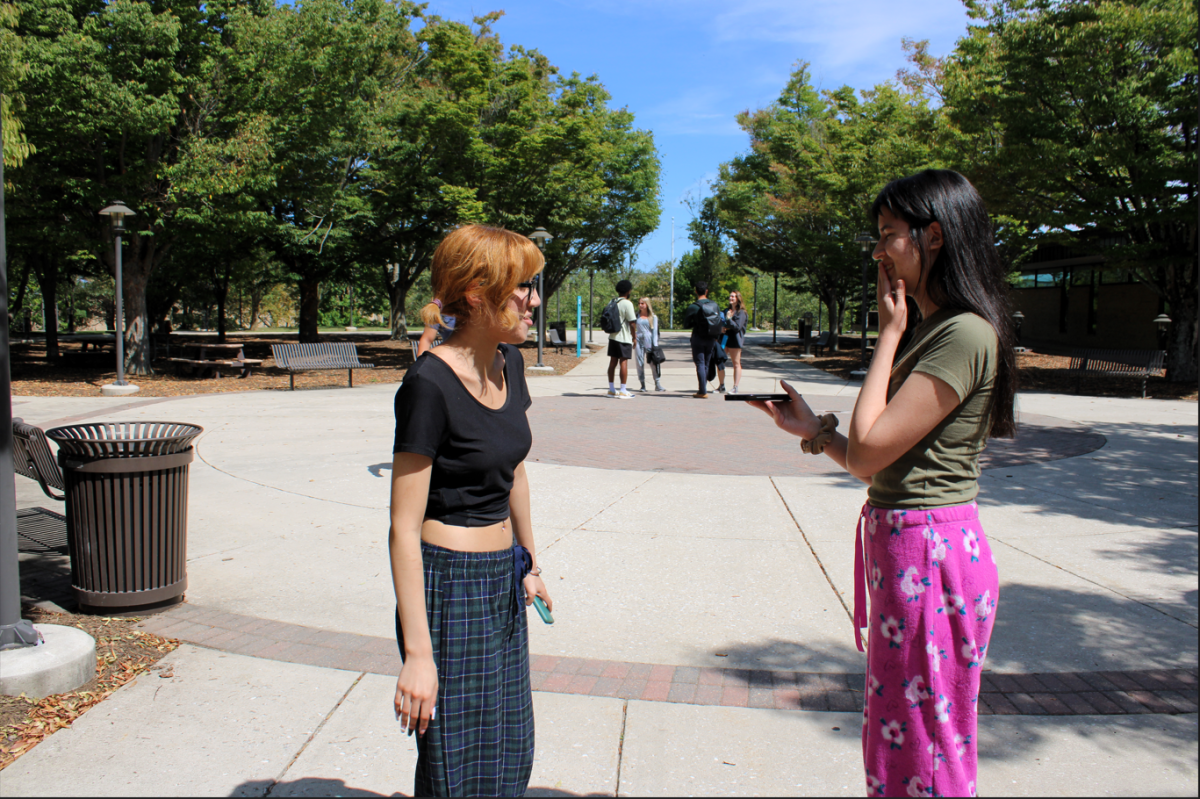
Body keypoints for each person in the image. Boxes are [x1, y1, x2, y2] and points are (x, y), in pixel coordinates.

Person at [749, 170, 1016, 798]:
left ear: (934, 236)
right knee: (900, 734)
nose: (877, 251)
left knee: (926, 742)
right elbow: (884, 461)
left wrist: (888, 334)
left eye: (888, 235)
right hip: (908, 545)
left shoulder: (963, 333)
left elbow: (871, 452)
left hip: (930, 552)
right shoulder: (936, 328)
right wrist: (814, 431)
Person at [389, 224, 553, 797]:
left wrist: (529, 562)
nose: (533, 300)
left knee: (509, 751)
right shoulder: (428, 384)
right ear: (478, 293)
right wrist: (417, 655)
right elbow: (403, 530)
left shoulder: (511, 364)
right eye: (521, 288)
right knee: (453, 767)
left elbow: (516, 471)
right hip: (450, 589)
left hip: (501, 582)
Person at [681, 281, 721, 398]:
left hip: (698, 338)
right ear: (706, 291)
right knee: (706, 363)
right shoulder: (714, 305)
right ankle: (704, 389)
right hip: (711, 338)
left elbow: (686, 325)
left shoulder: (693, 306)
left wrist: (696, 322)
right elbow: (718, 322)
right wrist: (716, 338)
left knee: (700, 363)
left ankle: (702, 391)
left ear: (696, 291)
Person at [605, 279, 638, 398]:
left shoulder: (612, 301)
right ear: (629, 291)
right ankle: (623, 389)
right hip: (624, 338)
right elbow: (632, 323)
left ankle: (611, 389)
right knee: (623, 362)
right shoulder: (627, 303)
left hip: (613, 336)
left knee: (613, 362)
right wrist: (634, 337)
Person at [716, 290, 749, 394]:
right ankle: (721, 386)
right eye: (730, 296)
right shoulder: (726, 310)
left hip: (735, 340)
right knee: (720, 361)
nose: (731, 298)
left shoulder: (742, 312)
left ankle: (735, 387)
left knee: (736, 363)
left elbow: (737, 327)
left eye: (733, 296)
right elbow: (721, 322)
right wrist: (721, 327)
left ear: (738, 299)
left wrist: (729, 319)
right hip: (725, 339)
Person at [634, 297, 665, 392]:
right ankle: (642, 384)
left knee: (653, 363)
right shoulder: (636, 316)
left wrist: (655, 345)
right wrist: (633, 338)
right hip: (638, 340)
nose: (640, 305)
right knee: (639, 362)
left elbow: (655, 332)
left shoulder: (653, 317)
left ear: (647, 304)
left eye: (642, 303)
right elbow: (631, 327)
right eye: (639, 303)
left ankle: (657, 383)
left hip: (649, 341)